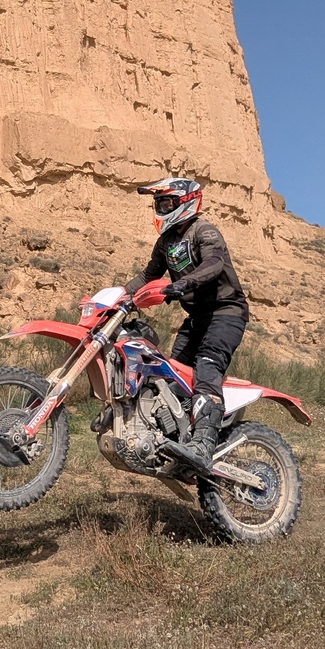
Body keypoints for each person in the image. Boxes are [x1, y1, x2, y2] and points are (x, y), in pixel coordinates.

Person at [125, 176, 250, 464]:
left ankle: (203, 446)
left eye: (166, 203)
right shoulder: (167, 241)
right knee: (170, 376)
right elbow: (148, 276)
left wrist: (184, 283)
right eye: (158, 203)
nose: (161, 208)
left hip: (226, 313)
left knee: (206, 367)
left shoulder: (204, 231)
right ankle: (176, 439)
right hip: (196, 318)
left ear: (185, 202)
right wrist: (120, 296)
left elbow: (214, 263)